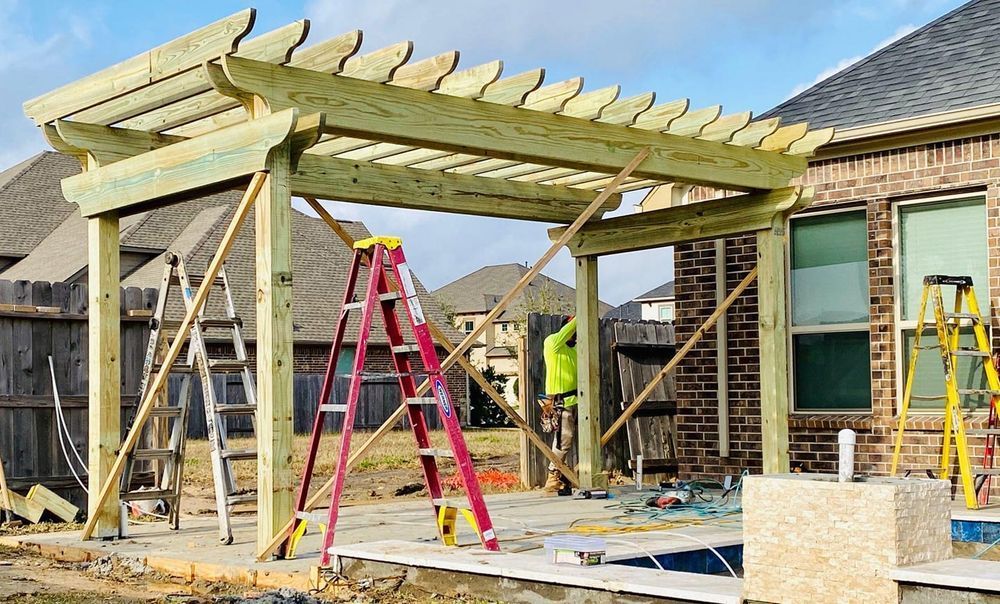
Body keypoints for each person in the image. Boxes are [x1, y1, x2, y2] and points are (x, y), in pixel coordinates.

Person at [541, 315, 577, 496]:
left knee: (569, 440)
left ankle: (563, 475)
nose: (576, 336)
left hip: (577, 400)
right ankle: (553, 475)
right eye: (574, 332)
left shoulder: (575, 349)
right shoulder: (553, 342)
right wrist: (582, 314)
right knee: (564, 439)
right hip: (560, 401)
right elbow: (571, 327)